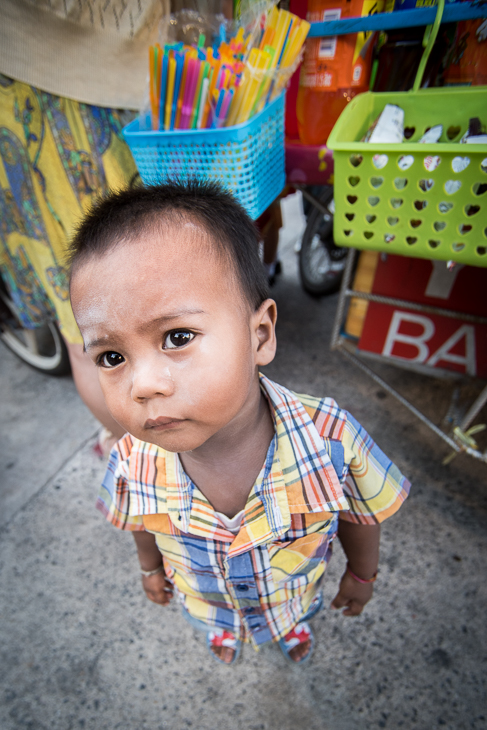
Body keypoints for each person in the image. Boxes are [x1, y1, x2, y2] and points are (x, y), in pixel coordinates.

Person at [68, 180, 410, 665]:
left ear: (261, 336)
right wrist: (149, 568)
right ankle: (226, 637)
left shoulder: (330, 437)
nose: (143, 384)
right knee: (217, 626)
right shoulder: (132, 459)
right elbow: (140, 523)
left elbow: (361, 515)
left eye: (177, 335)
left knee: (293, 619)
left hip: (288, 600)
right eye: (111, 356)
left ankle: (289, 633)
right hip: (208, 606)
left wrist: (361, 575)